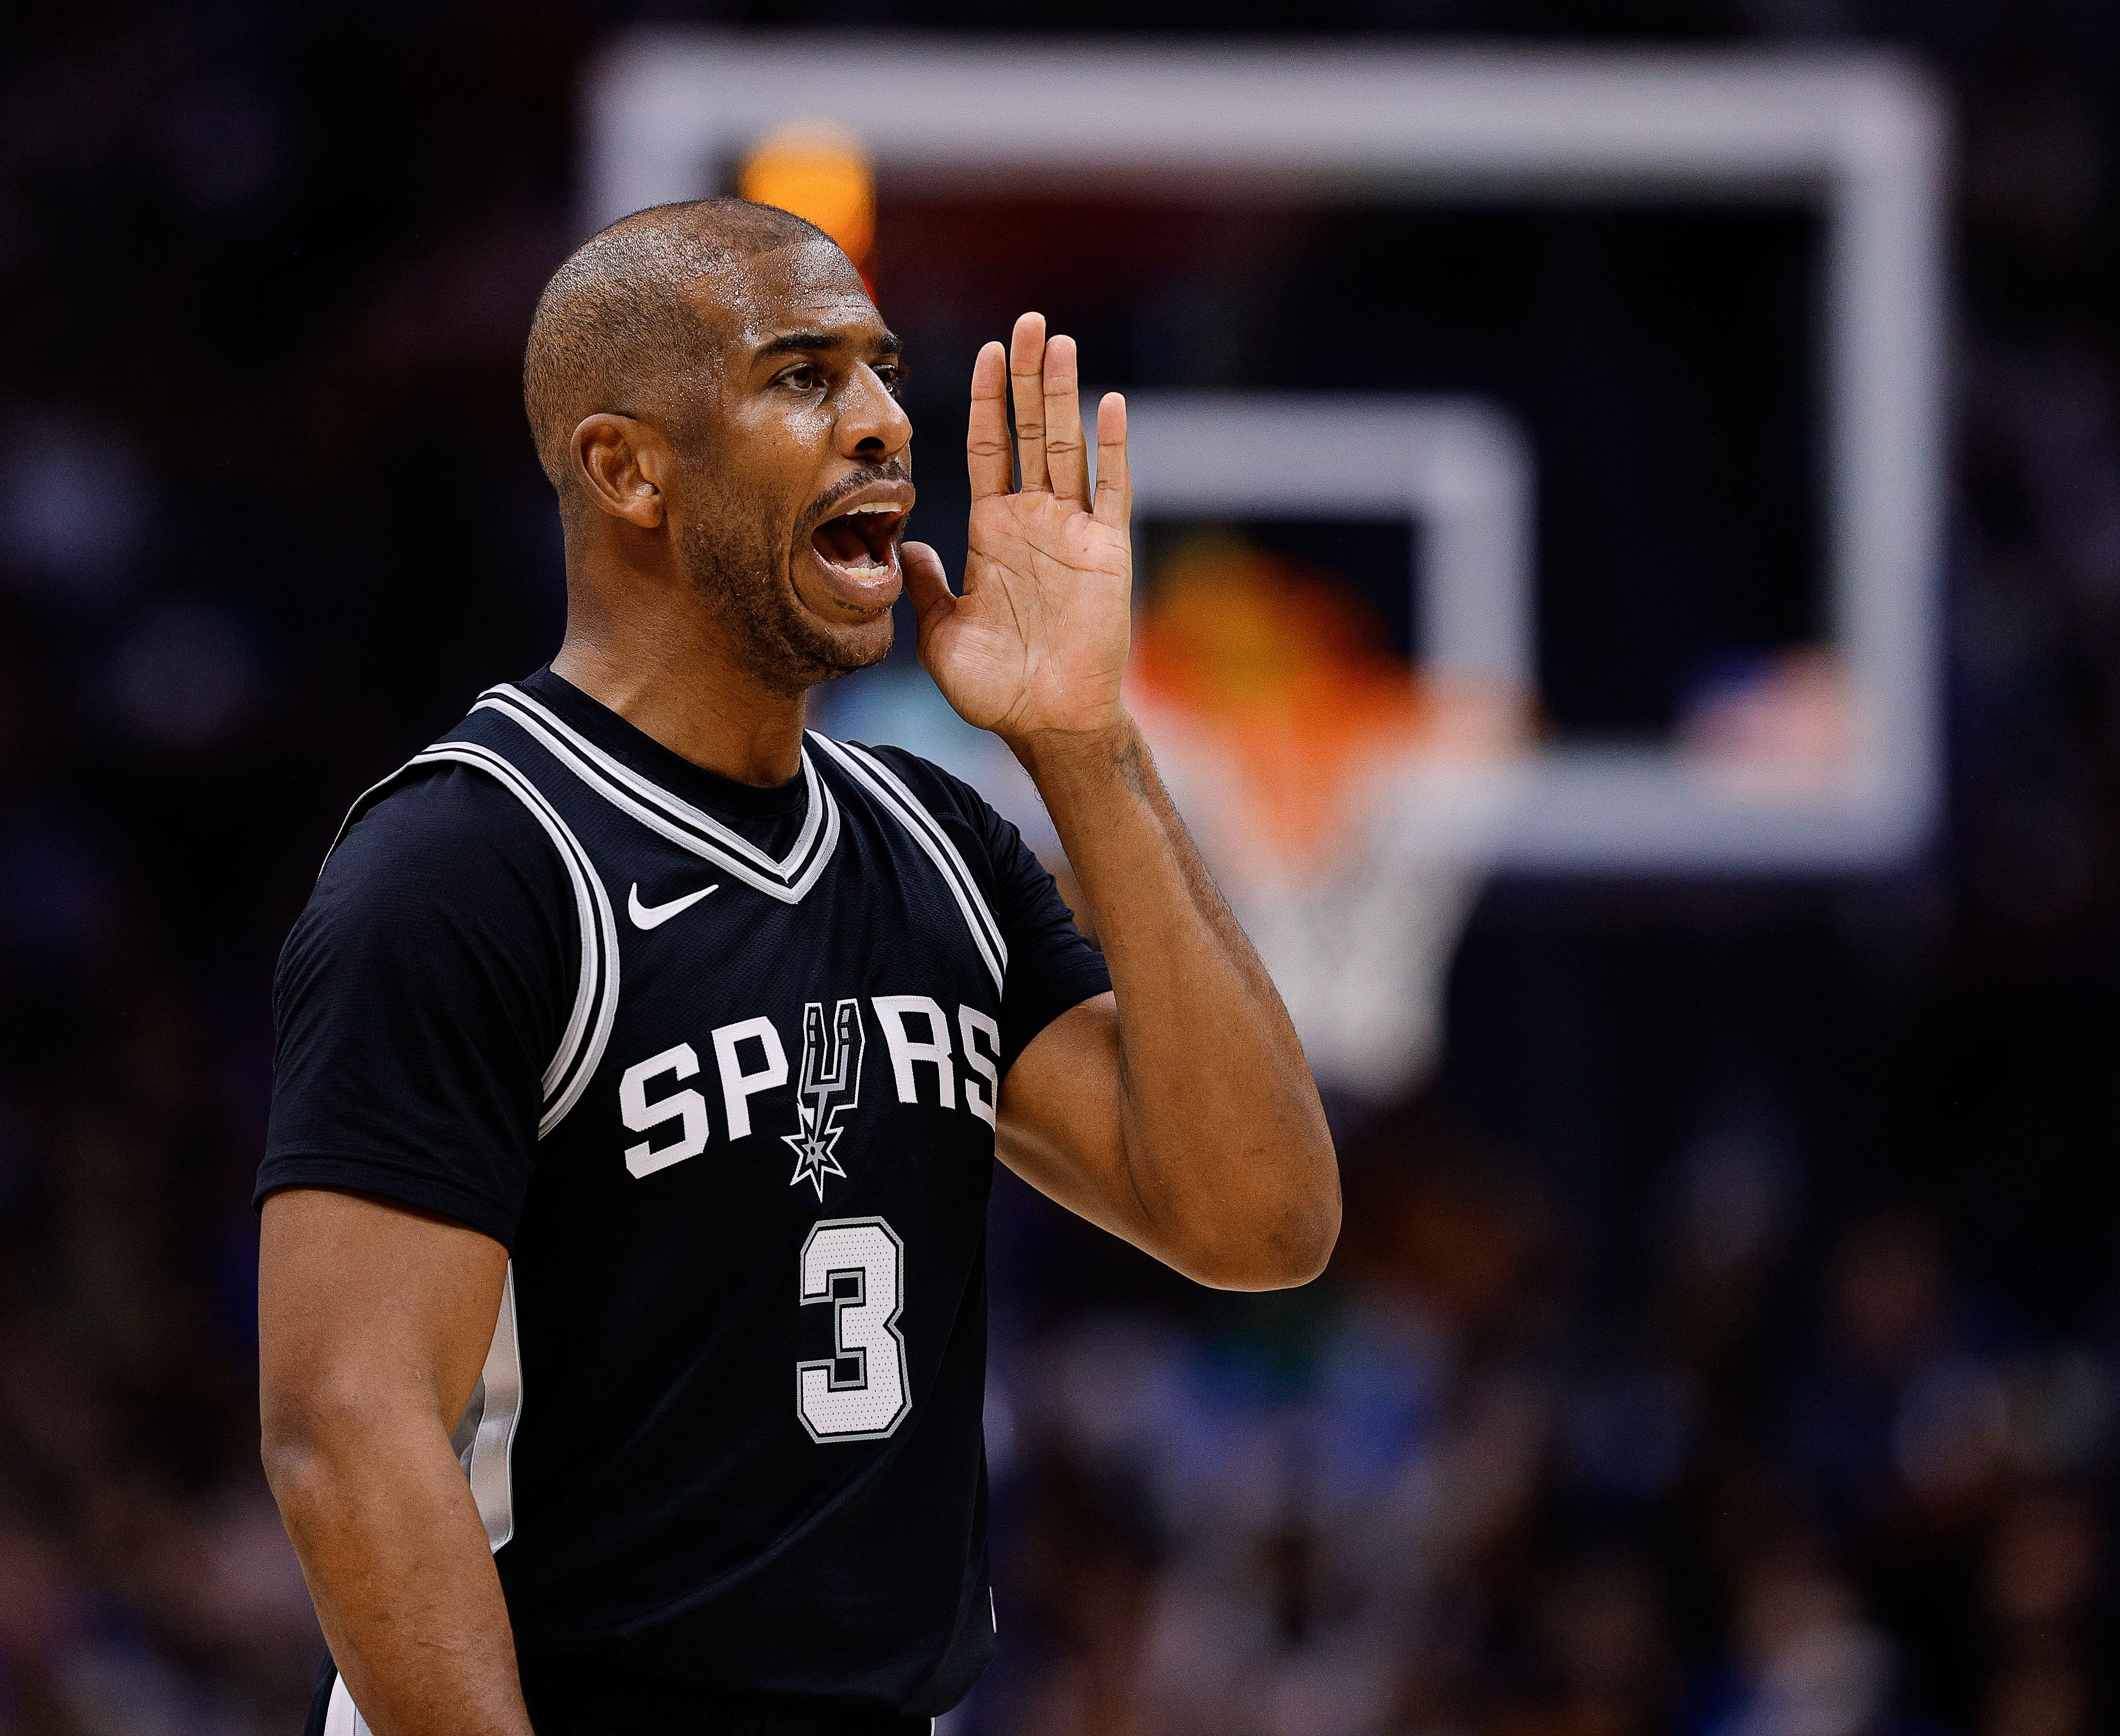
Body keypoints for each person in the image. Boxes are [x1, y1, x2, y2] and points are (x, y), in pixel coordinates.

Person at [254, 198, 1339, 1736]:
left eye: (884, 370)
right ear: (627, 468)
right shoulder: (468, 864)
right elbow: (345, 1433)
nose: (889, 420)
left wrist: (1084, 742)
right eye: (802, 375)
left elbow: (1265, 1218)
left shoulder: (940, 847)